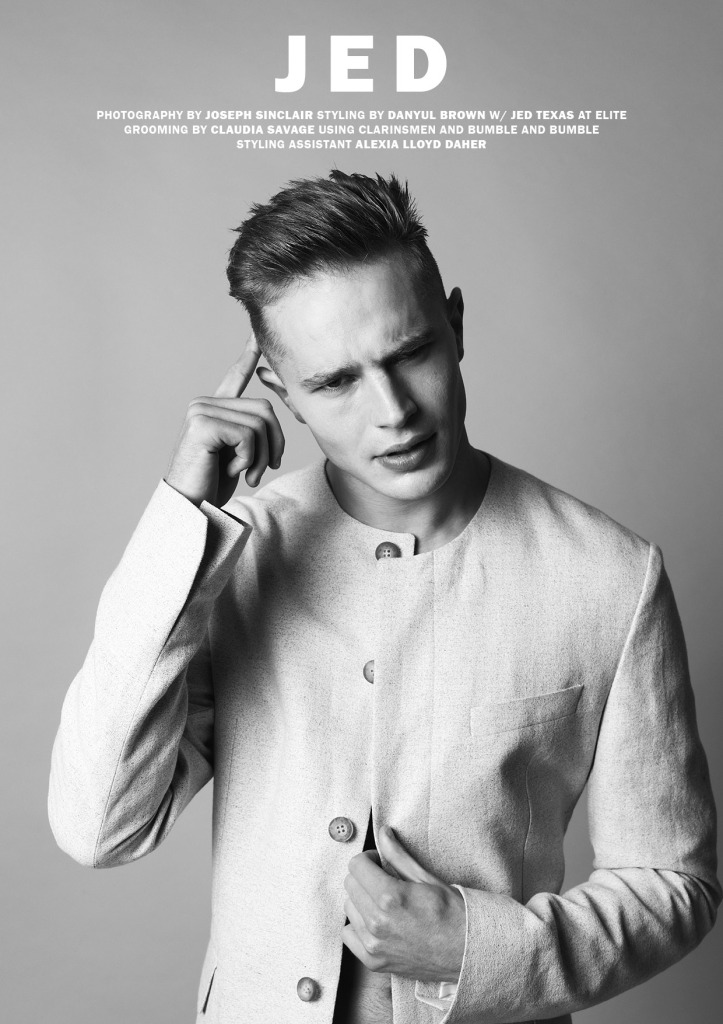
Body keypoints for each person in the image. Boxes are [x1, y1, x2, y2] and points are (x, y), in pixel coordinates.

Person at [49, 170, 719, 1024]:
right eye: (335, 382)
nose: (393, 411)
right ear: (281, 393)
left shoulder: (609, 575)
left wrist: (476, 949)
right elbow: (100, 827)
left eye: (410, 354)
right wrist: (181, 521)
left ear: (456, 327)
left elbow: (673, 883)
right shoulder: (231, 558)